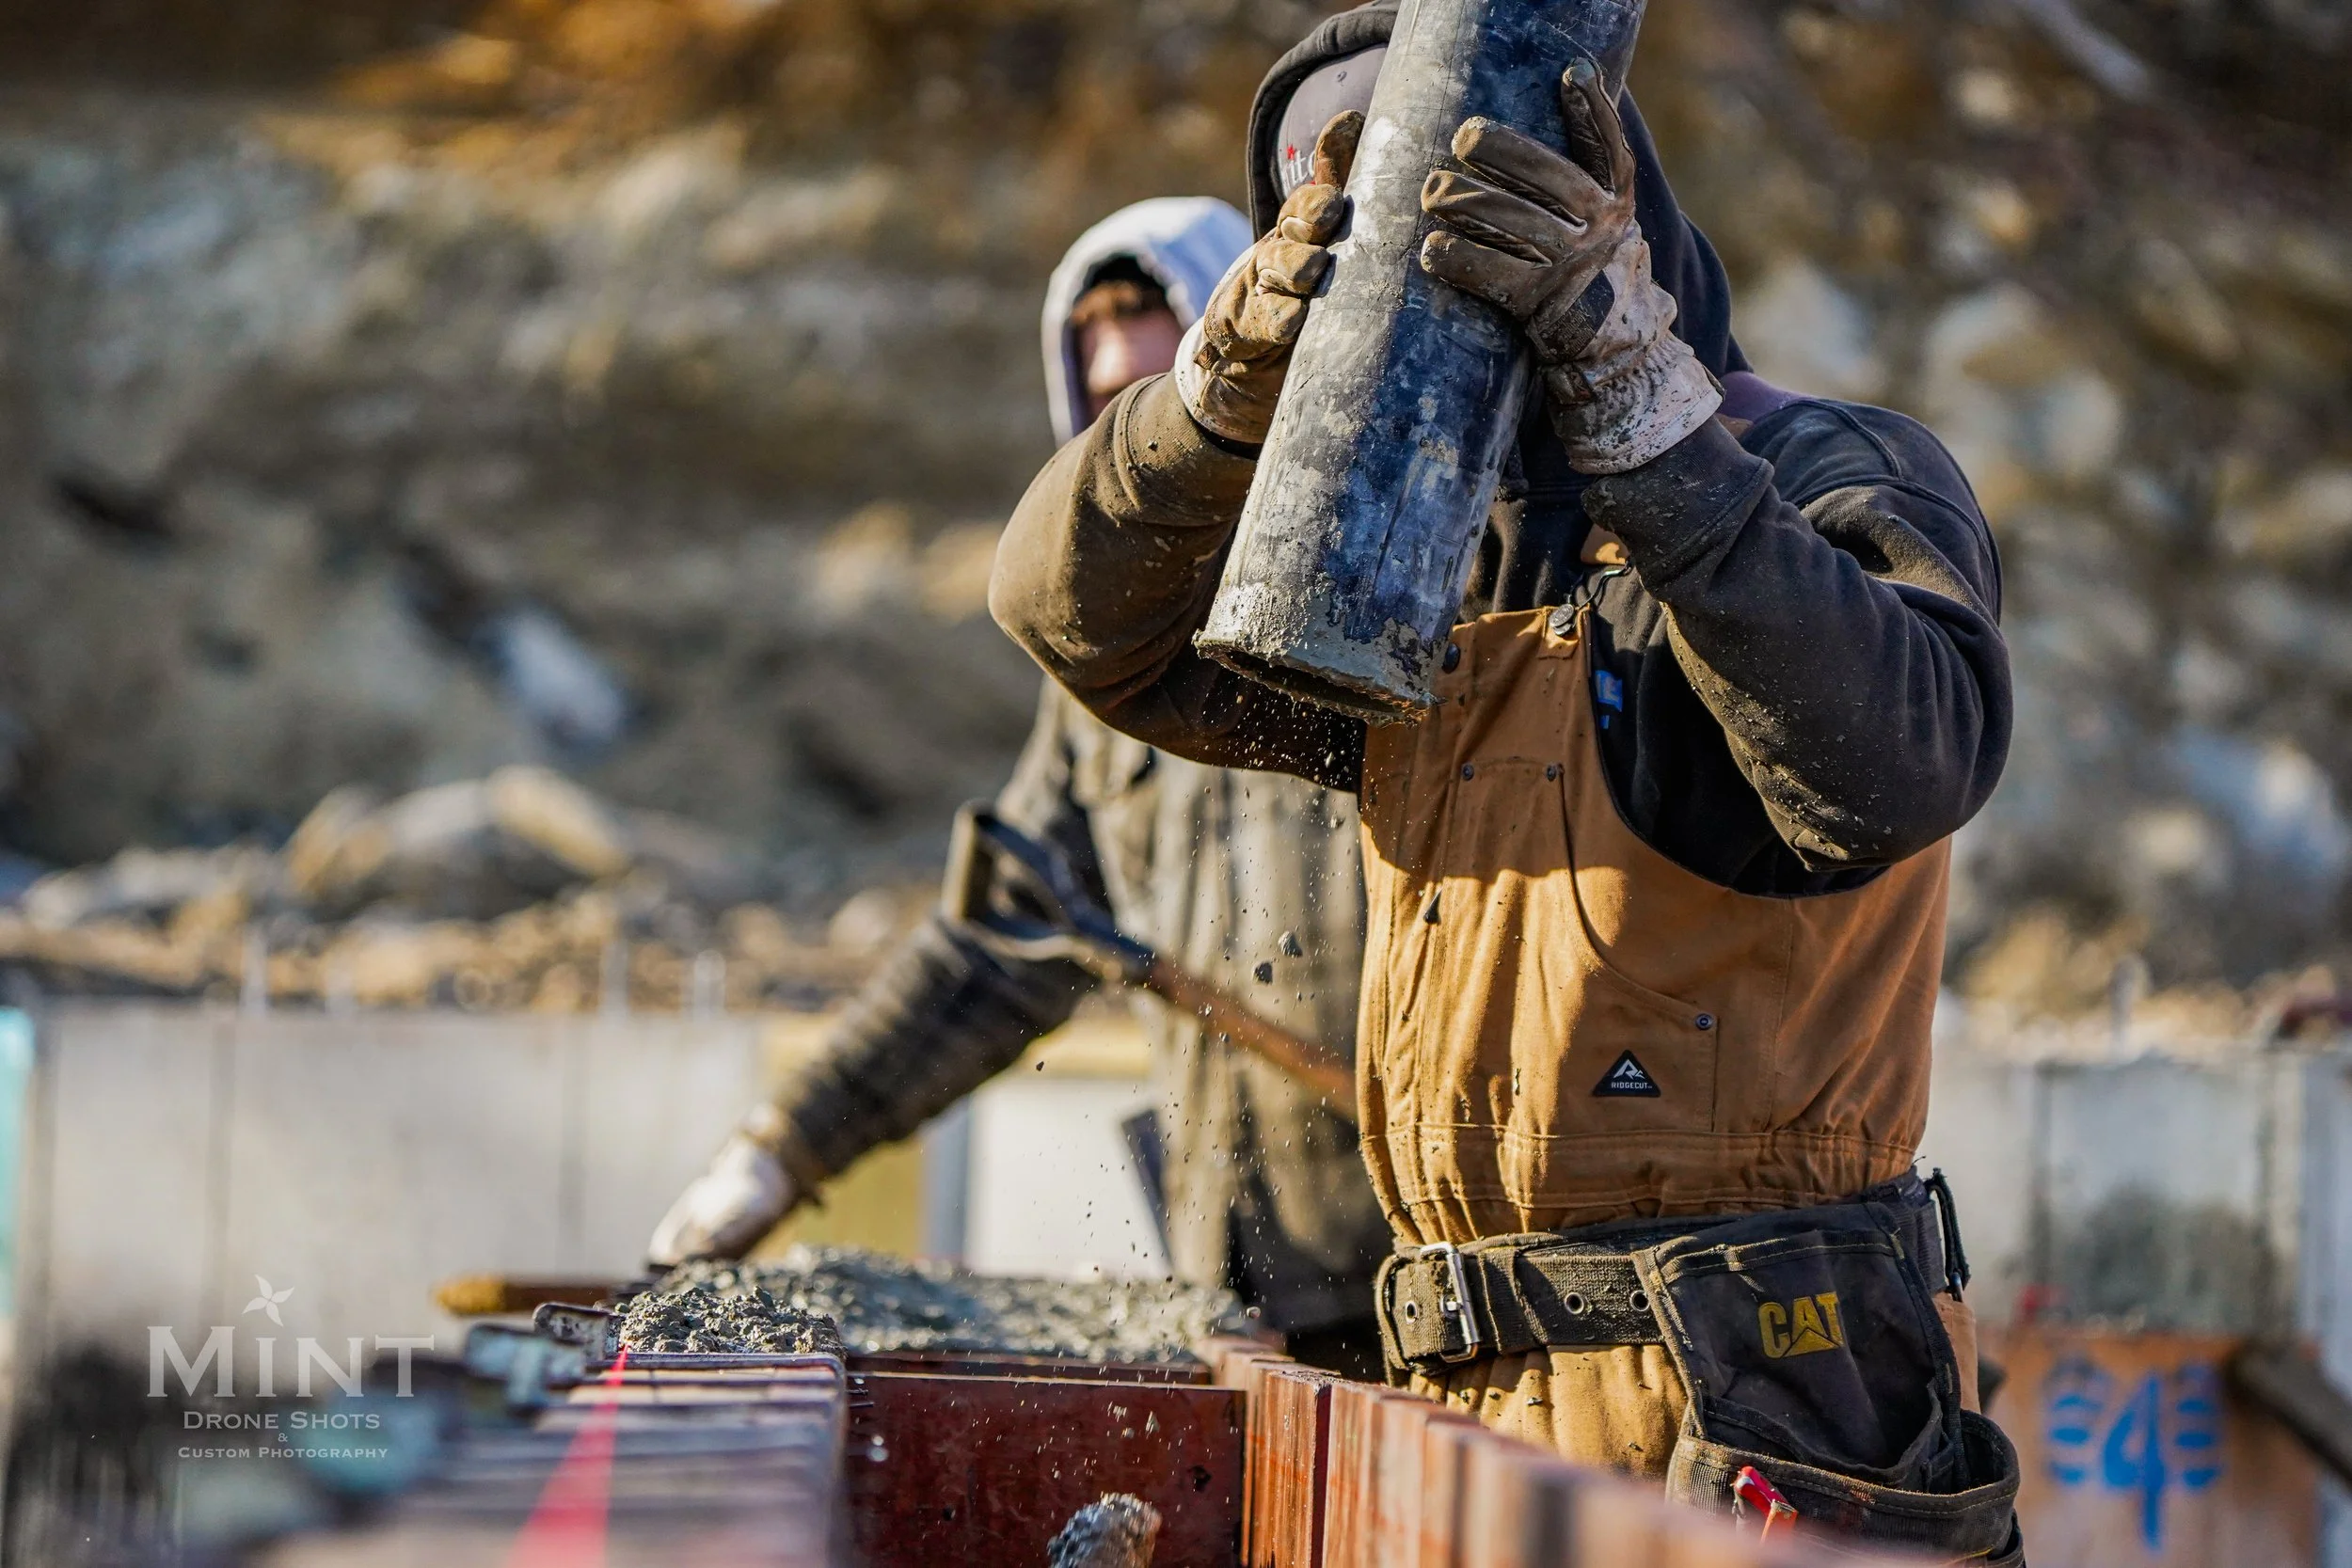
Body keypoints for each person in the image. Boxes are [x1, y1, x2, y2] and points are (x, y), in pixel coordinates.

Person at [988, 5, 2022, 1560]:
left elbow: (1895, 763)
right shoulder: (1432, 579)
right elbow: (1077, 619)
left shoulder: (1816, 472)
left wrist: (1641, 404)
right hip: (1469, 1403)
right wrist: (1223, 383)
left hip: (1762, 1411)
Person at [650, 196, 1396, 1377]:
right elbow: (1005, 939)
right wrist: (786, 1146)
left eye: (1172, 402)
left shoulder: (1384, 601)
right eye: (1112, 419)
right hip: (1241, 1288)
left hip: (1427, 1271)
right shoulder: (1104, 686)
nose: (1152, 452)